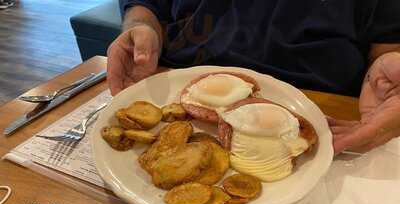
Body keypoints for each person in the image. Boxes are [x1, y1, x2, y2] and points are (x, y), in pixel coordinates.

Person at [107, 0, 400, 154]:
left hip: (320, 120)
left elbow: (388, 44)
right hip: (171, 92)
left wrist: (391, 71)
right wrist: (140, 28)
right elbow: (145, 5)